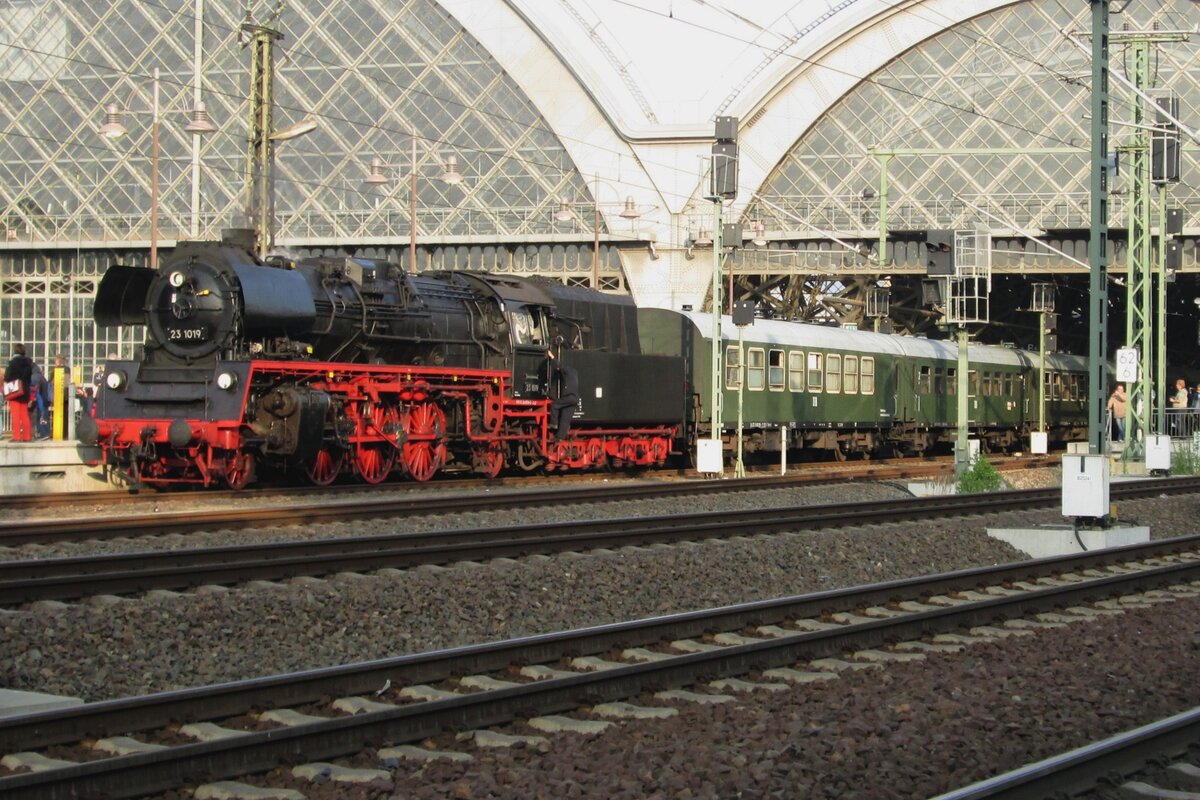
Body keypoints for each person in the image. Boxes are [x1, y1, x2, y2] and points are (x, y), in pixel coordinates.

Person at [546, 349, 579, 442]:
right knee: (565, 417)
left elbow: (559, 366)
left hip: (569, 396)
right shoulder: (574, 372)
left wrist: (552, 357)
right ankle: (559, 437)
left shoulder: (567, 370)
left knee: (554, 405)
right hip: (574, 398)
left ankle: (554, 423)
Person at [4, 343, 34, 442]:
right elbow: (29, 379)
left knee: (15, 415)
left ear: (15, 351)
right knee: (24, 414)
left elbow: (7, 377)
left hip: (15, 391)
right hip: (25, 391)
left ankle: (16, 436)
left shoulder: (13, 362)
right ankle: (27, 436)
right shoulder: (29, 363)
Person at [28, 359, 49, 439]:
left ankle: (44, 434)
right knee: (43, 416)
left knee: (39, 417)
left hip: (40, 401)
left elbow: (34, 390)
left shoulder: (34, 377)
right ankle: (45, 433)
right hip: (44, 399)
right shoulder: (40, 376)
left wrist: (31, 400)